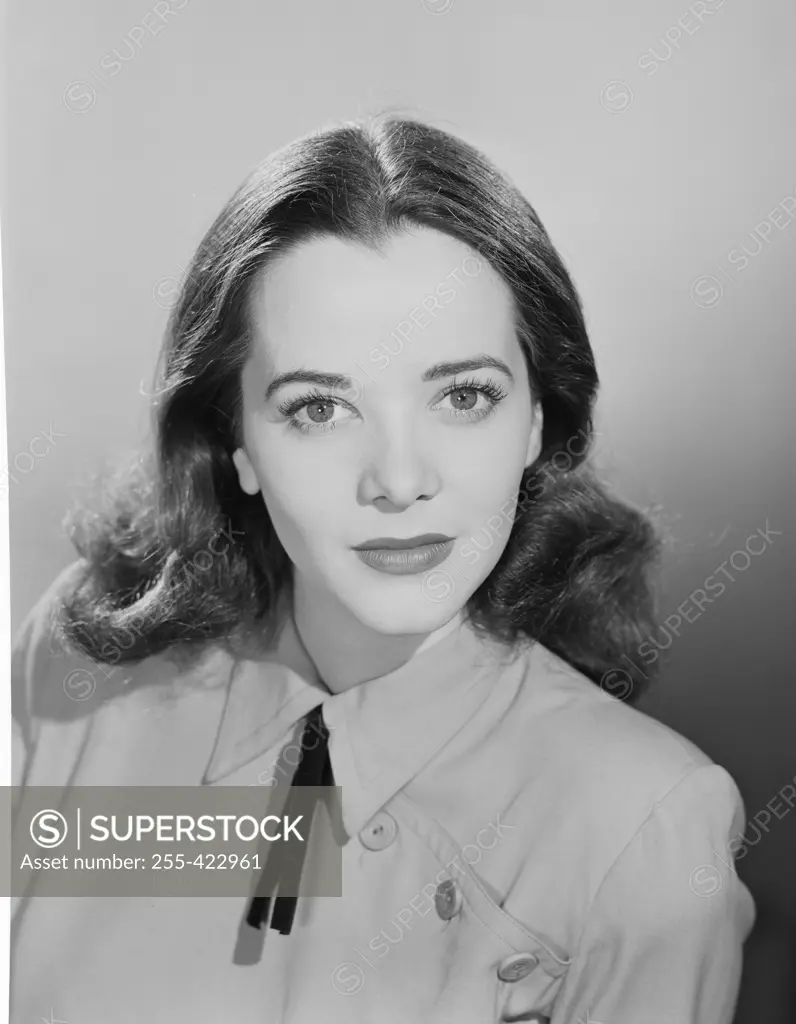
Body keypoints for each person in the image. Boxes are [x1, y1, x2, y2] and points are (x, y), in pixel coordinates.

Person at [10, 115, 755, 1023]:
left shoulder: (646, 827)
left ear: (536, 421)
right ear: (235, 440)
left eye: (465, 396)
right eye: (320, 407)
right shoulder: (86, 666)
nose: (400, 481)